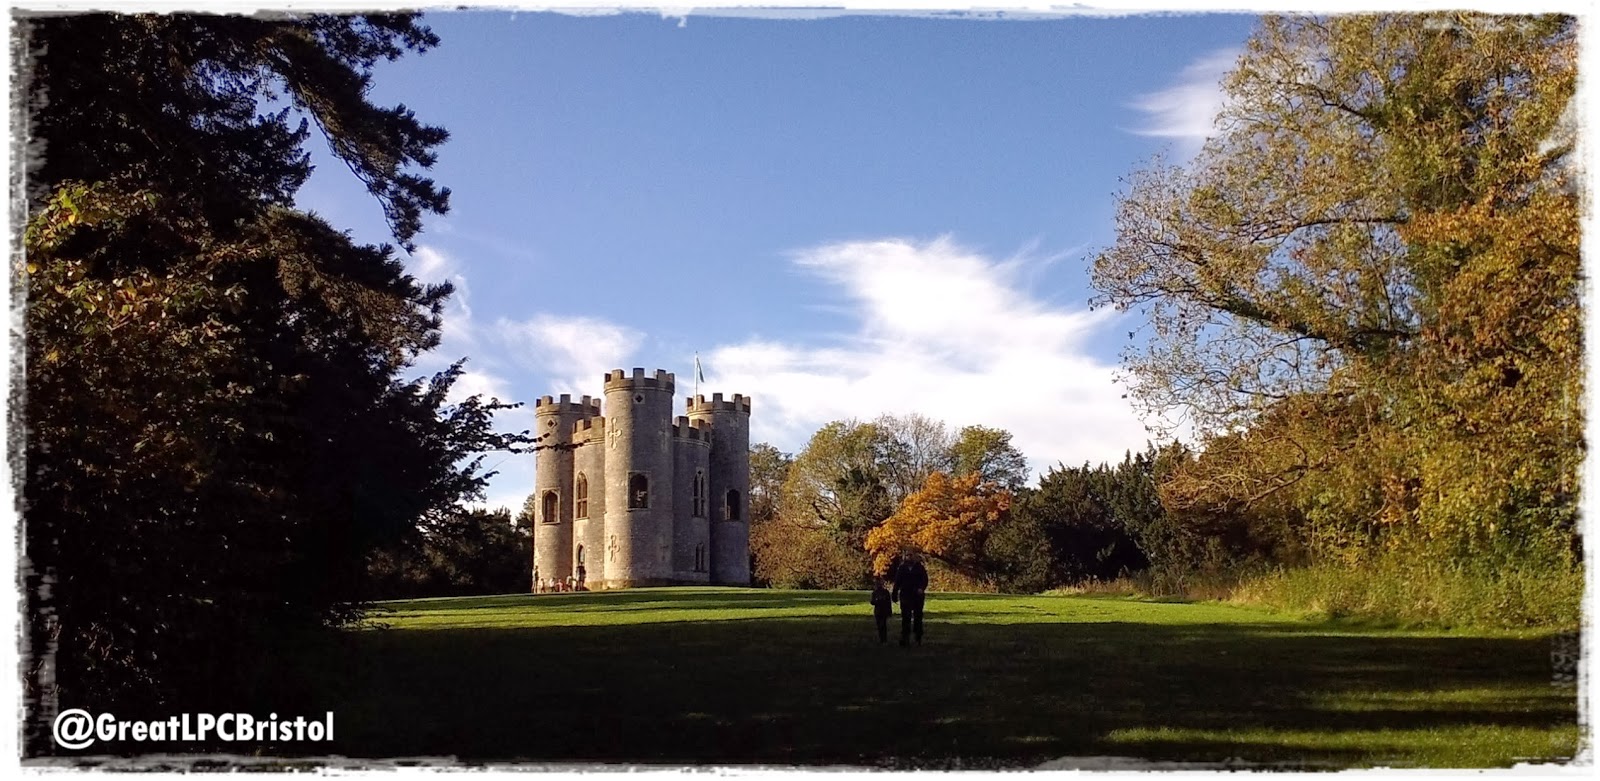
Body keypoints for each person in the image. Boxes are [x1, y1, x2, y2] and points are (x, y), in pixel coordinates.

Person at [891, 554, 930, 646]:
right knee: (906, 617)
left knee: (918, 617)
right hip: (905, 595)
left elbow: (925, 580)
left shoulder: (920, 568)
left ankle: (918, 637)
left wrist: (921, 588)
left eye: (911, 556)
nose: (910, 558)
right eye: (908, 556)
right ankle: (905, 638)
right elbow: (897, 582)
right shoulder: (902, 568)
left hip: (917, 596)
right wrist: (894, 594)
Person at [869, 578, 893, 644]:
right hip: (878, 611)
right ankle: (882, 638)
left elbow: (888, 602)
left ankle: (883, 638)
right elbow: (872, 602)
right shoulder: (875, 593)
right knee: (880, 625)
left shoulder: (885, 592)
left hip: (882, 611)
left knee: (882, 625)